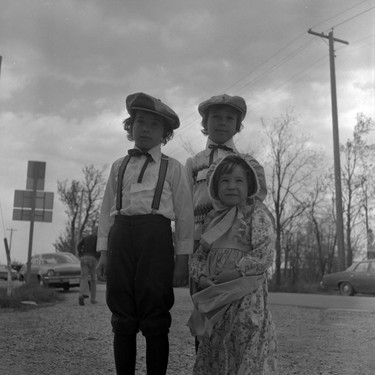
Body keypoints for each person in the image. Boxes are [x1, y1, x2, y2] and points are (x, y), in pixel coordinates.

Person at [96, 92, 194, 375]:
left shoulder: (172, 168)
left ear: (165, 134)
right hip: (121, 237)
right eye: (140, 122)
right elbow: (106, 212)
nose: (146, 129)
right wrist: (104, 253)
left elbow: (185, 216)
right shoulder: (119, 166)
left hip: (156, 237)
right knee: (122, 312)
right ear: (130, 127)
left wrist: (182, 261)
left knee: (155, 313)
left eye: (154, 124)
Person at [184, 94, 267, 351]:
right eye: (215, 117)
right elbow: (185, 208)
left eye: (229, 118)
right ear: (205, 123)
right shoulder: (193, 162)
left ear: (238, 125)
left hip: (237, 245)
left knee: (241, 316)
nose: (222, 123)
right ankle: (206, 362)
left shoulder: (248, 163)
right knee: (204, 308)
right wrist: (186, 251)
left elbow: (256, 202)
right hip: (203, 247)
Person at [188, 154, 278, 374]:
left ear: (250, 186)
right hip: (216, 295)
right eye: (225, 181)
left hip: (245, 294)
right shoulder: (212, 218)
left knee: (245, 335)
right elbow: (199, 255)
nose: (231, 186)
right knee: (217, 341)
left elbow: (264, 251)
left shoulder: (255, 214)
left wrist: (237, 271)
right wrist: (200, 277)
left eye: (239, 181)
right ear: (215, 186)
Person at [77, 227, 98, 306]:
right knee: (93, 279)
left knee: (84, 277)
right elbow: (99, 250)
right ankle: (93, 299)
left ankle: (81, 294)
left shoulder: (86, 238)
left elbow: (79, 246)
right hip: (92, 258)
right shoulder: (97, 239)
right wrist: (97, 256)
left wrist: (80, 254)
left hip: (84, 258)